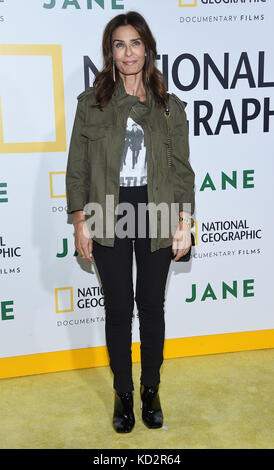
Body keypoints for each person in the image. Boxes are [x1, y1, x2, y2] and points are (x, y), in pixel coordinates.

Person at [66, 11, 195, 433]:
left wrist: (184, 221)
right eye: (119, 45)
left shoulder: (167, 106)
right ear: (110, 52)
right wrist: (80, 221)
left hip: (156, 207)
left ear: (147, 48)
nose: (128, 52)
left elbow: (183, 171)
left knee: (152, 308)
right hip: (107, 208)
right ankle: (123, 393)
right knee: (119, 309)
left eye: (135, 43)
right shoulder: (93, 103)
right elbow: (78, 168)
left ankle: (150, 389)